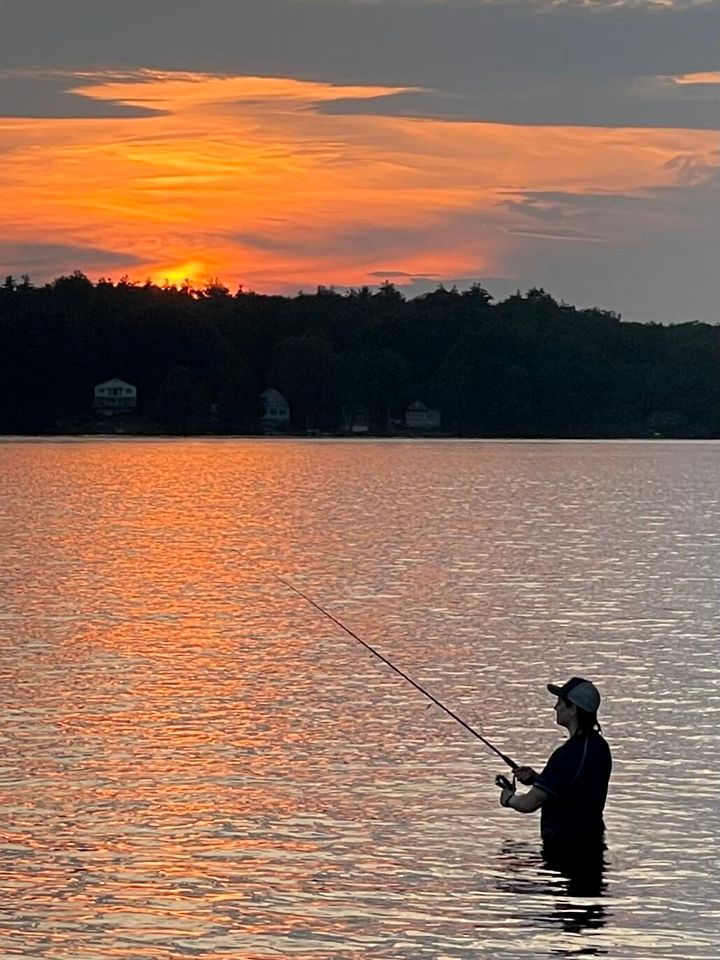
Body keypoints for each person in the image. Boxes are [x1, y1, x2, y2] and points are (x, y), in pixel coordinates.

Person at [498, 677, 612, 865]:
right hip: (591, 843)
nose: (555, 708)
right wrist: (539, 779)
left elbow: (530, 803)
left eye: (559, 703)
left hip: (564, 849)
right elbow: (576, 789)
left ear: (573, 708)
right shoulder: (599, 747)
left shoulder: (567, 754)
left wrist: (509, 799)